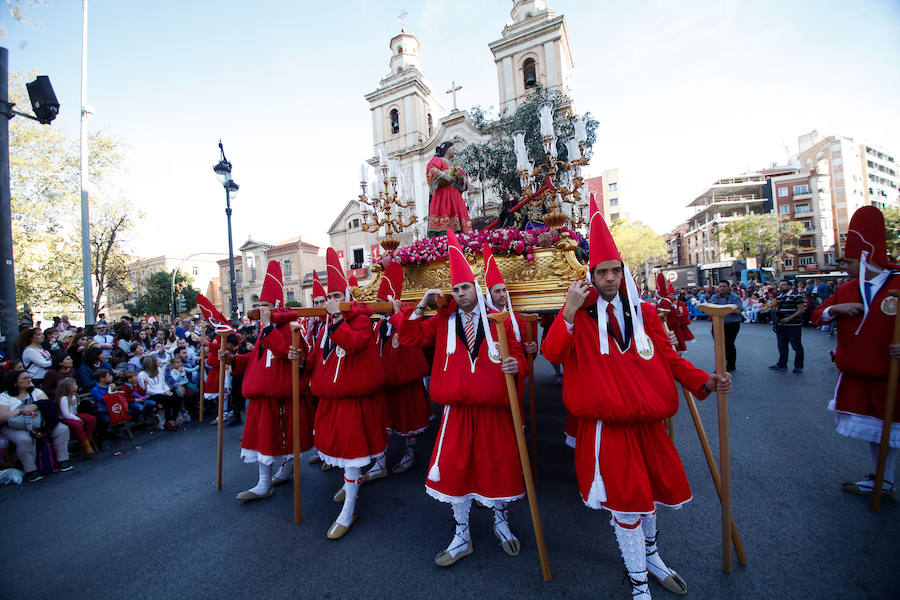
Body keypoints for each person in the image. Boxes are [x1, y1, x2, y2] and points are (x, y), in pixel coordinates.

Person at [541, 199, 732, 599]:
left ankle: (652, 555)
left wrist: (705, 381)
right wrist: (570, 312)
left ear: (623, 272)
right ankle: (639, 579)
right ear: (591, 275)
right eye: (601, 272)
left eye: (615, 271)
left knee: (649, 498)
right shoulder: (581, 313)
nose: (609, 277)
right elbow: (554, 354)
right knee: (626, 504)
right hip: (607, 429)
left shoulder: (644, 311)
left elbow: (668, 357)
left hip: (649, 425)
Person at [399, 230, 527, 567]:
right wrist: (422, 306)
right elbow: (410, 337)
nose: (460, 293)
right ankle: (462, 534)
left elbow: (516, 355)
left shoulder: (498, 319)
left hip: (493, 410)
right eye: (455, 289)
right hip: (455, 412)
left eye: (465, 287)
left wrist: (517, 365)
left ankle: (500, 522)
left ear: (475, 287)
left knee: (497, 468)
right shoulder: (443, 322)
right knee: (456, 471)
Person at [812, 206, 900, 498]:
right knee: (878, 434)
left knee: (893, 433)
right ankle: (883, 481)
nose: (844, 267)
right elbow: (818, 315)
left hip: (894, 375)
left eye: (848, 262)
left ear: (865, 259)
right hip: (861, 375)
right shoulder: (848, 289)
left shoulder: (898, 285)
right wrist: (836, 309)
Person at [300, 249, 387, 539]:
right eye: (329, 298)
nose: (331, 302)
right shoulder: (326, 326)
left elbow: (354, 344)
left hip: (354, 402)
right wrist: (299, 360)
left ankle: (349, 508)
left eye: (337, 296)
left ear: (348, 297)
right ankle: (351, 484)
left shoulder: (360, 319)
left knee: (352, 456)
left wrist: (336, 318)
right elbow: (316, 359)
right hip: (330, 403)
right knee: (340, 455)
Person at [221, 261, 316, 503]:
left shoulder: (291, 329)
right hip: (261, 396)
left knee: (284, 439)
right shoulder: (264, 330)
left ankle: (284, 470)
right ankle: (263, 483)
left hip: (283, 396)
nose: (260, 310)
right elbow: (257, 359)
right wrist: (233, 358)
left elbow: (290, 353)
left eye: (265, 306)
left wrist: (267, 328)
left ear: (276, 307)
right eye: (259, 305)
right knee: (261, 441)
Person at [363, 262, 433, 481]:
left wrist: (396, 314)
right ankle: (380, 463)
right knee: (382, 421)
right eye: (378, 302)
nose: (379, 306)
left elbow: (410, 334)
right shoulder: (376, 324)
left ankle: (410, 453)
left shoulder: (406, 316)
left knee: (408, 420)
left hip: (406, 381)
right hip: (384, 384)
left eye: (383, 302)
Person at [0, 370, 73, 482]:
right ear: (15, 383)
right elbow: (3, 416)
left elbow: (48, 406)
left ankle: (62, 460)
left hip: (39, 422)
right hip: (15, 426)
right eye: (24, 378)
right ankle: (31, 470)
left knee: (62, 429)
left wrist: (35, 406)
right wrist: (22, 410)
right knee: (24, 439)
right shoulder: (4, 397)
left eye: (29, 377)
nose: (29, 380)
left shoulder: (36, 392)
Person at [426, 141, 472, 235]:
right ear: (447, 149)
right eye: (452, 148)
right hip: (443, 196)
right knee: (444, 219)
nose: (454, 150)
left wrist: (461, 178)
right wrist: (444, 175)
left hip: (455, 197)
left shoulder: (454, 166)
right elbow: (431, 169)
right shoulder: (438, 160)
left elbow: (464, 182)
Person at [769, 280, 807, 373]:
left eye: (784, 285)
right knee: (782, 346)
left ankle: (798, 366)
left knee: (796, 346)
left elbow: (801, 310)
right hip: (781, 325)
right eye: (780, 285)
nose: (781, 287)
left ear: (790, 286)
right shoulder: (779, 297)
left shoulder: (796, 296)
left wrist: (789, 318)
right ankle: (782, 364)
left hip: (793, 325)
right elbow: (778, 308)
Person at [706, 281, 742, 371]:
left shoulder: (735, 297)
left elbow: (739, 311)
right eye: (720, 286)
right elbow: (709, 310)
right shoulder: (714, 297)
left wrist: (728, 309)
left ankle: (731, 364)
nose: (722, 288)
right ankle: (720, 364)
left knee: (728, 345)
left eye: (724, 286)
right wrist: (711, 307)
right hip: (717, 324)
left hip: (731, 324)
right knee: (718, 345)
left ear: (728, 287)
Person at [138, 355, 180, 432]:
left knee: (176, 397)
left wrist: (167, 390)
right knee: (167, 400)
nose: (159, 362)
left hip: (162, 392)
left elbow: (163, 382)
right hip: (151, 394)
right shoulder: (142, 374)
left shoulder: (159, 370)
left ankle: (172, 420)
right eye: (157, 361)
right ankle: (168, 421)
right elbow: (146, 389)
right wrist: (163, 392)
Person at [55, 377, 96, 455]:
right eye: (75, 384)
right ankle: (86, 445)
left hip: (74, 414)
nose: (76, 386)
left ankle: (88, 438)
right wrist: (77, 419)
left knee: (92, 419)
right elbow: (66, 413)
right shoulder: (64, 398)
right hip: (66, 417)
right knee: (77, 425)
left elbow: (76, 407)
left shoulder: (74, 396)